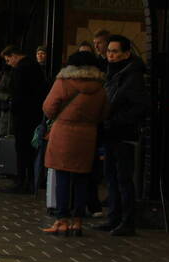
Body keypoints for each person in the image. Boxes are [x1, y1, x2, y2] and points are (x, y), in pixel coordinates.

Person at [41, 51, 108, 237]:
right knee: (82, 179)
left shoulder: (63, 82)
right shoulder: (100, 87)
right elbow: (104, 113)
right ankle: (77, 221)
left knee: (62, 177)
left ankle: (62, 220)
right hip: (87, 136)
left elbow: (49, 107)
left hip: (63, 133)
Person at [94, 34, 148, 236]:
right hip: (110, 132)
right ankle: (114, 217)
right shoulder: (113, 73)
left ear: (126, 53)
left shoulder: (133, 76)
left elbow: (139, 106)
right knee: (111, 177)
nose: (111, 55)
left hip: (123, 133)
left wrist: (116, 119)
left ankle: (127, 221)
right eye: (109, 51)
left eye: (115, 51)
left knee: (123, 178)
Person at [1, 45, 48, 193]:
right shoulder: (35, 67)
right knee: (31, 150)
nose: (9, 63)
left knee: (22, 149)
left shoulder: (21, 70)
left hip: (23, 115)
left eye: (9, 60)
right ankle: (30, 180)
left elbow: (18, 93)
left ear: (14, 56)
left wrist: (11, 104)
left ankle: (23, 181)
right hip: (35, 114)